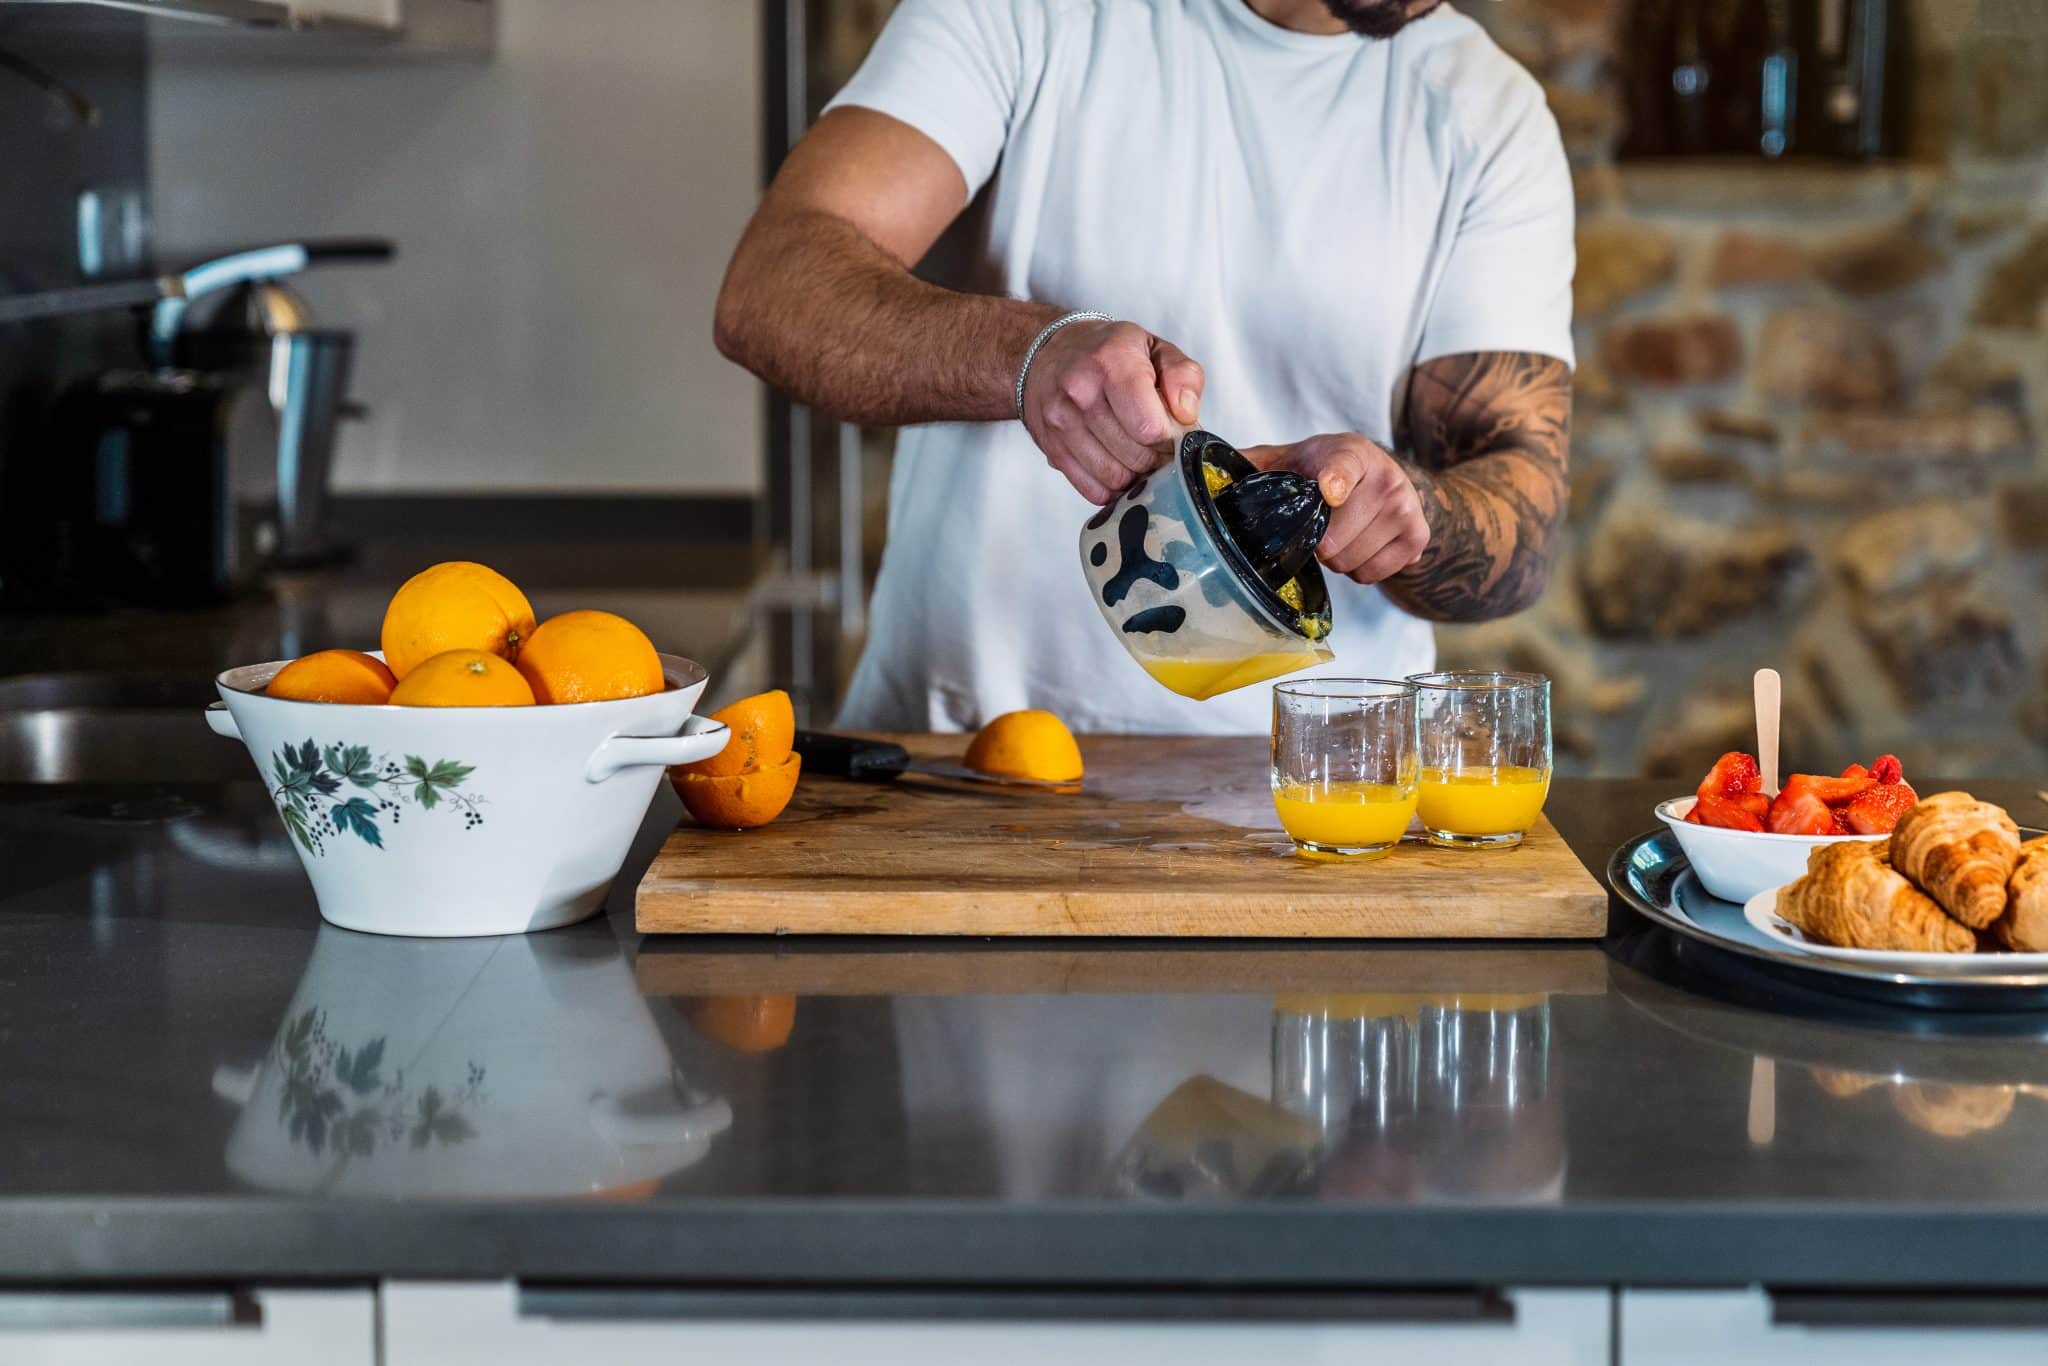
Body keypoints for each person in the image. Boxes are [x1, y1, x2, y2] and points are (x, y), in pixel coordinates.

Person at [716, 0, 1575, 733]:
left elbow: (1523, 509)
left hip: (1309, 801)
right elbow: (773, 286)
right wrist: (1029, 357)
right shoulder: (1031, 14)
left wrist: (1410, 512)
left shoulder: (1486, 113)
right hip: (960, 757)